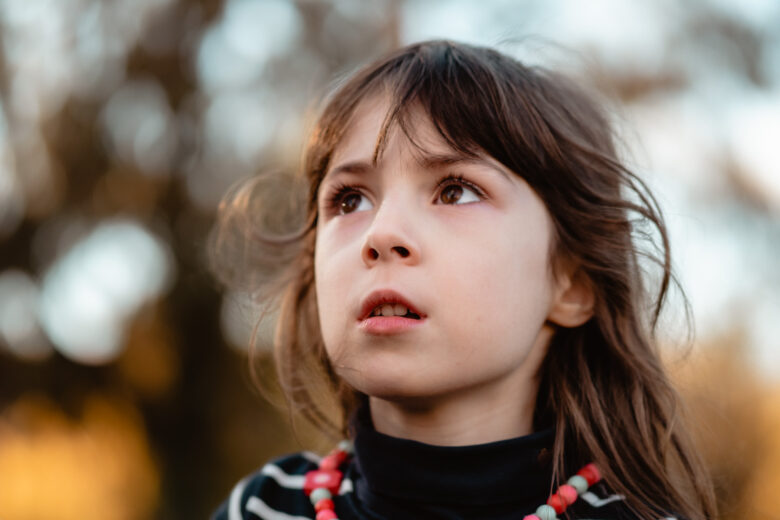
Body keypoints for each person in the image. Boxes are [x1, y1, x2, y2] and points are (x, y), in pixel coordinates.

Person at [210, 40, 717, 520]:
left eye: (455, 191)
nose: (382, 233)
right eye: (351, 200)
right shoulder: (261, 507)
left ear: (572, 283)